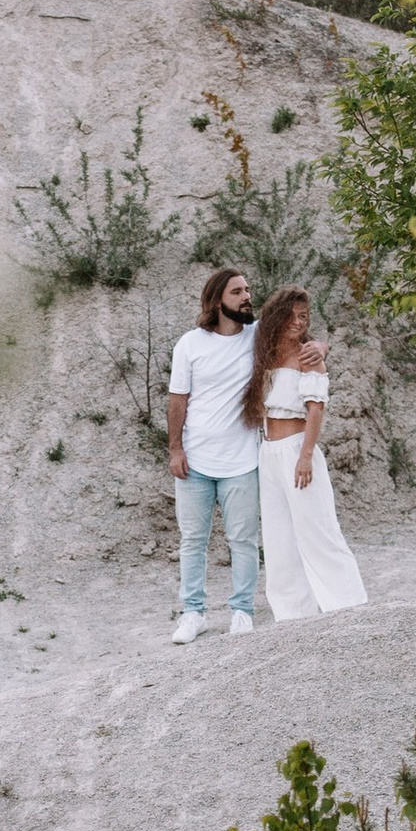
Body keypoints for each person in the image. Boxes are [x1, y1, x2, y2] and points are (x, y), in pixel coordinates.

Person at [245, 288, 369, 618]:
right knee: (278, 537)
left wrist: (305, 455)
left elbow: (316, 410)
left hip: (298, 449)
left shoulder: (309, 358)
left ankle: (349, 605)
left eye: (304, 317)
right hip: (268, 452)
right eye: (292, 315)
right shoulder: (264, 351)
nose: (298, 323)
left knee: (318, 531)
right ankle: (293, 614)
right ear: (277, 315)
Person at [166, 266, 262, 643]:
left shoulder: (257, 335)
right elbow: (178, 400)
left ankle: (242, 611)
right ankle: (193, 614)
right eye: (237, 292)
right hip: (196, 461)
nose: (246, 297)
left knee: (243, 539)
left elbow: (301, 333)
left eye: (247, 290)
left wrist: (321, 347)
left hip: (242, 460)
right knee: (192, 539)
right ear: (217, 299)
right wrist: (175, 449)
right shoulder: (190, 344)